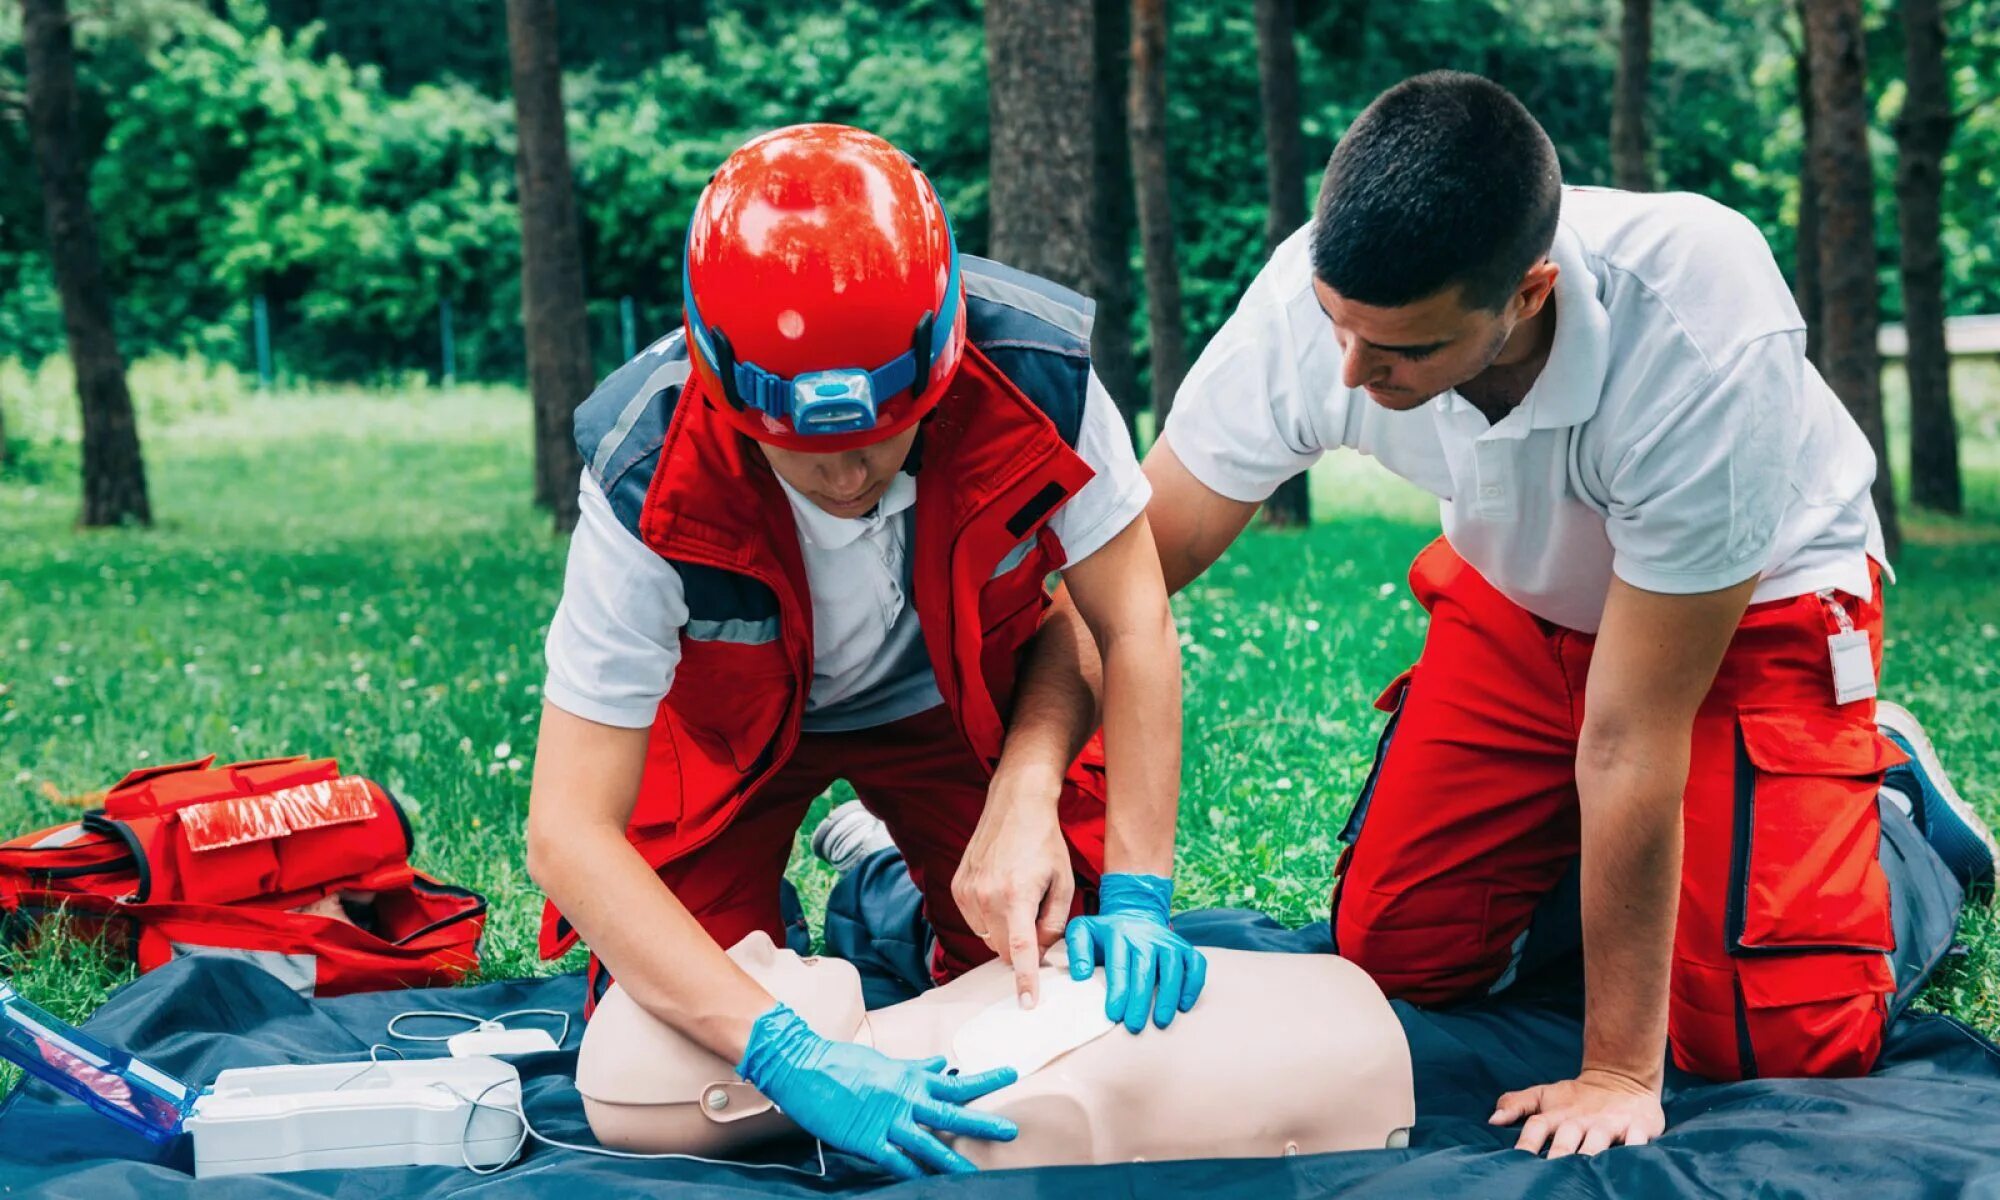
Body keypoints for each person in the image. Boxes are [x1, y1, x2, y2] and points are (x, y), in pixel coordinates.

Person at [1030, 71, 1994, 1156]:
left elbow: (1631, 737)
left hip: (1747, 612)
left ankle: (1894, 811)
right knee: (1397, 958)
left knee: (1765, 1041)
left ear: (1527, 294)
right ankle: (1672, 863)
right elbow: (1127, 574)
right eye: (1338, 328)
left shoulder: (1698, 321)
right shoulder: (1323, 305)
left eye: (1401, 352)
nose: (1350, 368)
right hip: (1522, 596)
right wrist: (1028, 788)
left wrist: (1617, 1071)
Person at [524, 123, 1204, 1180]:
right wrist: (786, 1051)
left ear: (939, 360)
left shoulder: (1037, 371)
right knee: (661, 1080)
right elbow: (568, 831)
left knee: (1043, 982)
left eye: (878, 438)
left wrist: (1131, 888)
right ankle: (793, 908)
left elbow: (1129, 624)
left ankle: (884, 877)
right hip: (727, 741)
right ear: (722, 387)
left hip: (958, 708)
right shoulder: (642, 466)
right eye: (806, 449)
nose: (846, 477)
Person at [574, 930, 1414, 1172]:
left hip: (1343, 1014)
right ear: (732, 1093)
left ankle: (876, 867)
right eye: (743, 975)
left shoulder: (933, 1025)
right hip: (1369, 1079)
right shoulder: (972, 1104)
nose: (756, 941)